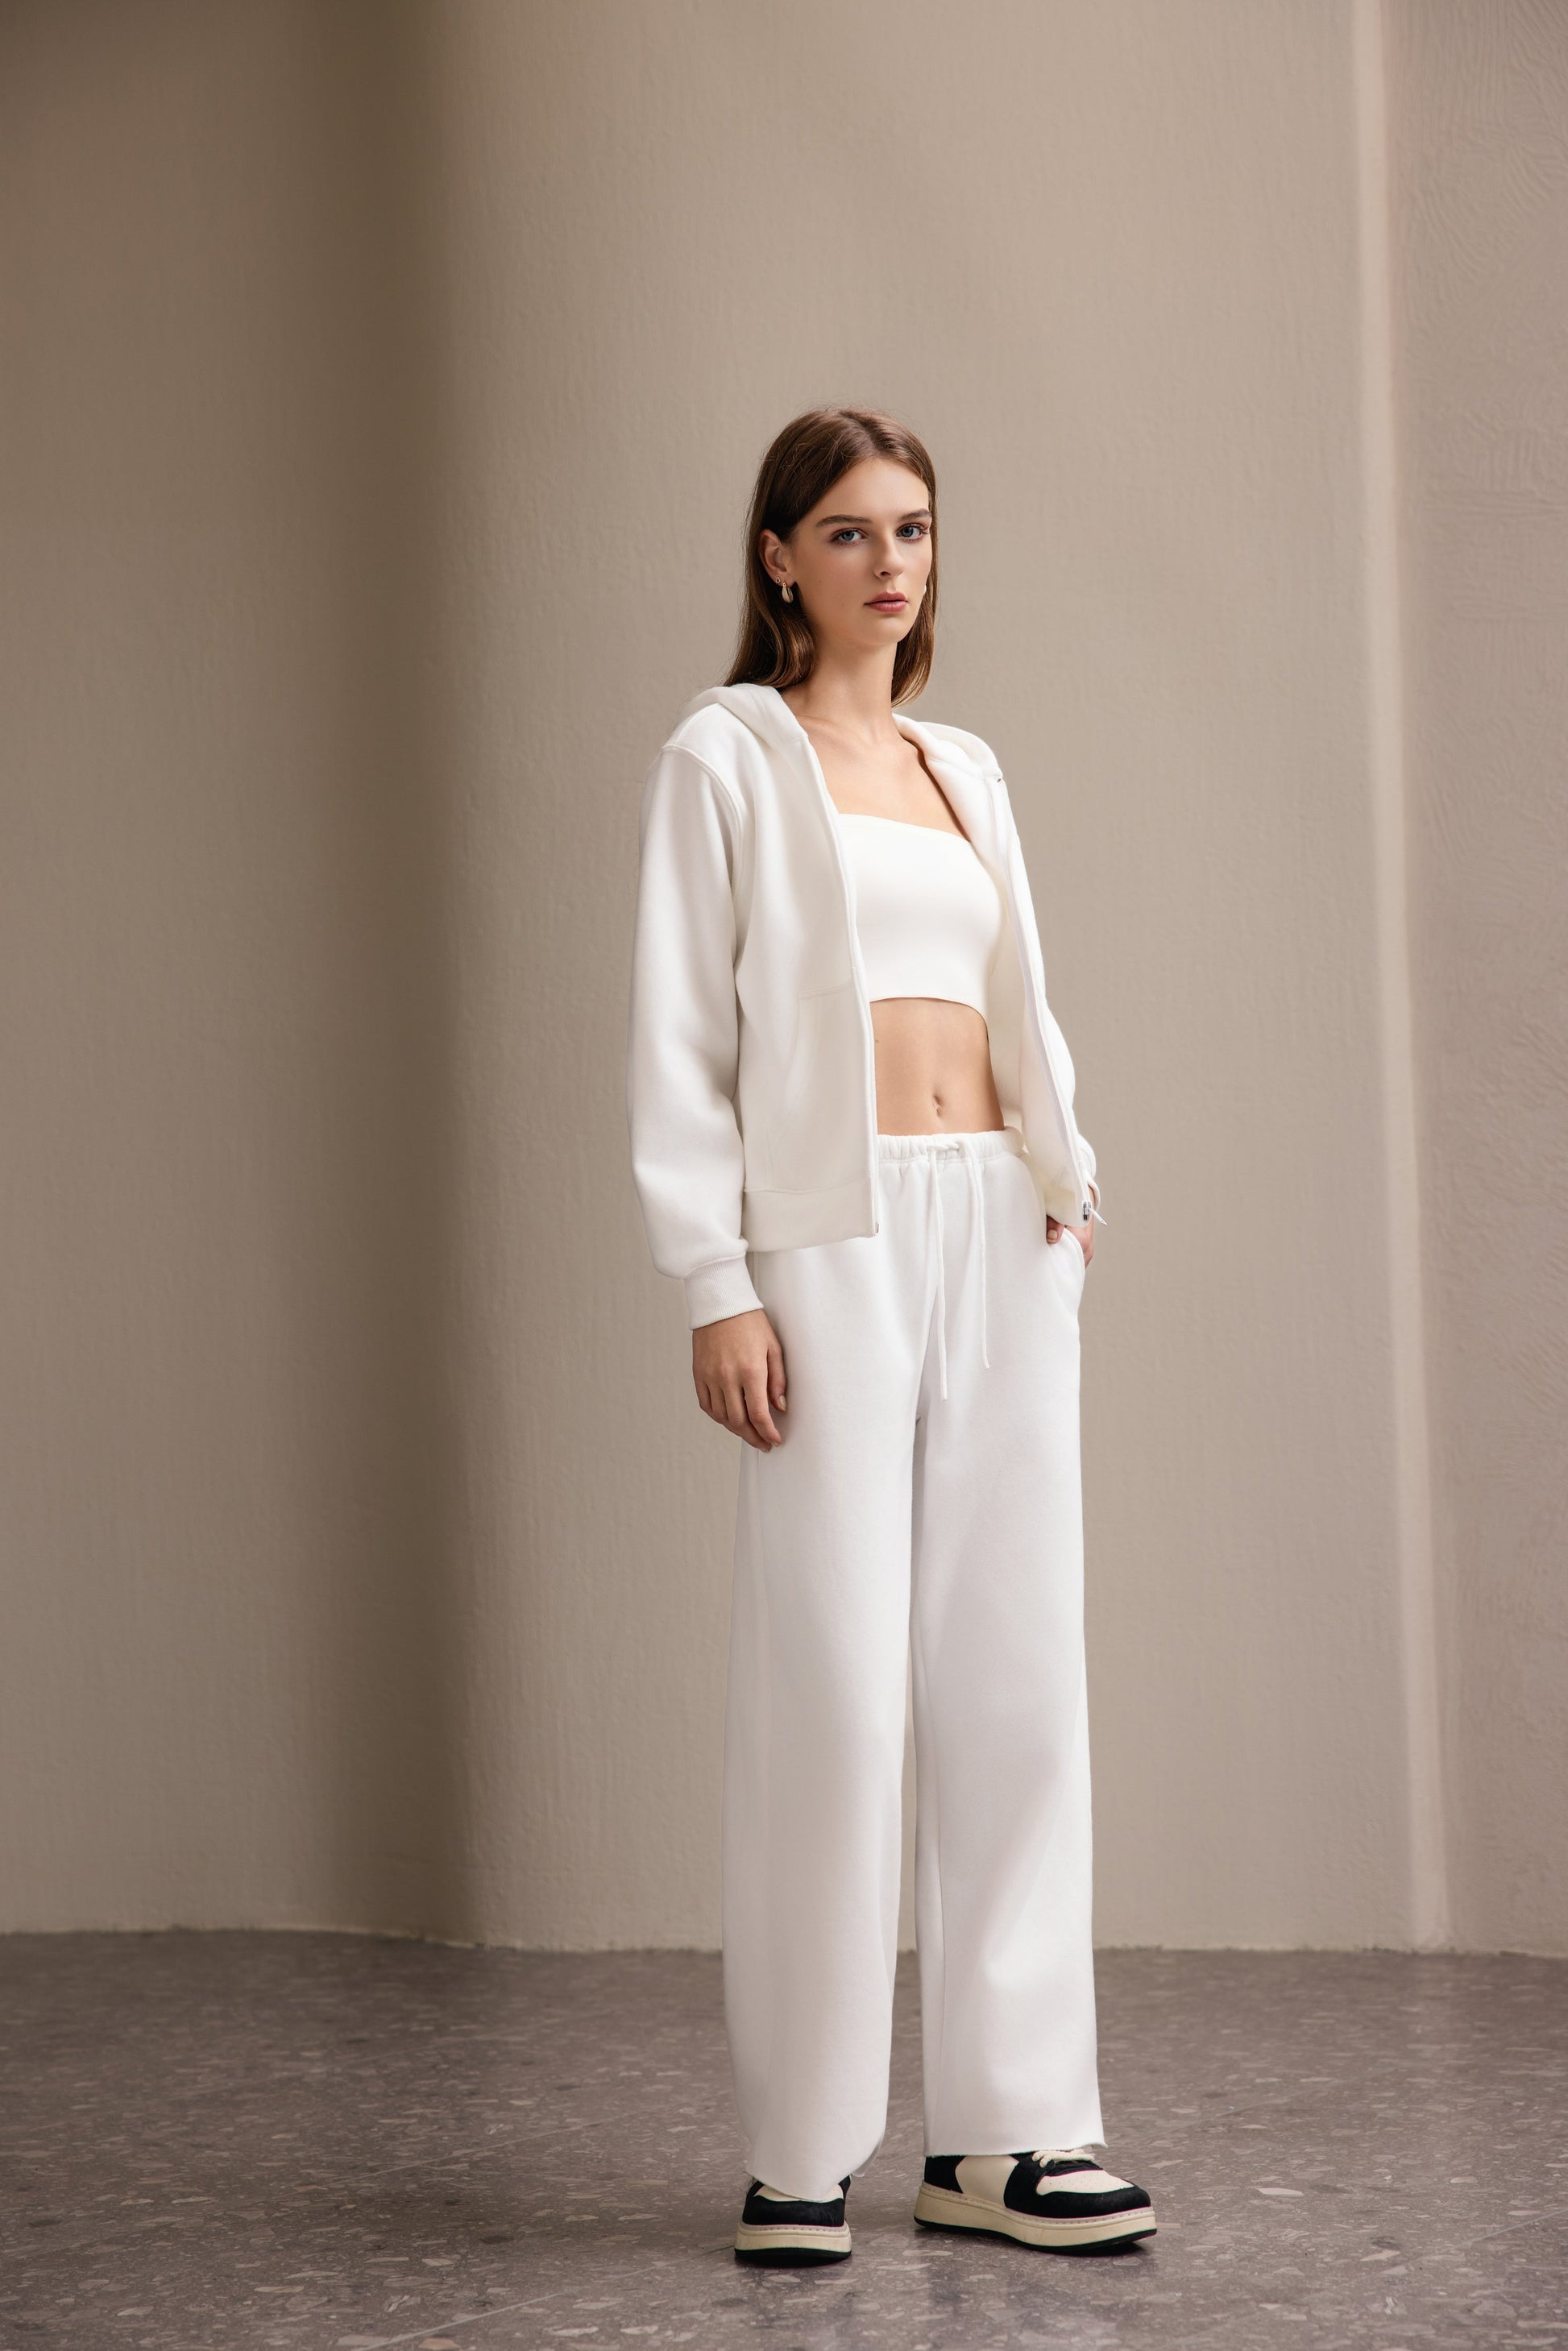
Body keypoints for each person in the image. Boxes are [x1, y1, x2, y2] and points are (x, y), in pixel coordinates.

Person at [625, 408, 1155, 2266]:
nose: (889, 562)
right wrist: (715, 1279)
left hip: (997, 1228)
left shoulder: (962, 765)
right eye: (848, 531)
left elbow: (1018, 997)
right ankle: (802, 2145)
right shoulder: (725, 754)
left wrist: (1064, 1184)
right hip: (827, 1245)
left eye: (912, 528)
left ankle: (1010, 2135)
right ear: (778, 555)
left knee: (1015, 1681)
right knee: (836, 1691)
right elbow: (681, 1035)